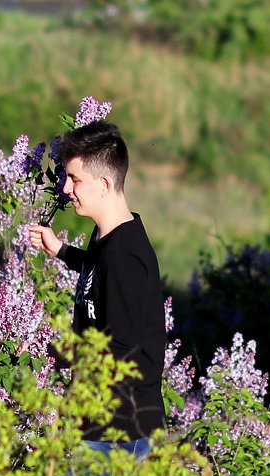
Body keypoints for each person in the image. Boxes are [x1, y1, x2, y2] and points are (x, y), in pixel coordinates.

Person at [27, 120, 166, 458]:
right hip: (101, 423)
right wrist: (61, 250)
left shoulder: (125, 256)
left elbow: (124, 348)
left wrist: (54, 353)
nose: (66, 189)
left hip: (118, 430)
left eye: (75, 180)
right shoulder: (109, 238)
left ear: (103, 184)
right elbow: (101, 274)